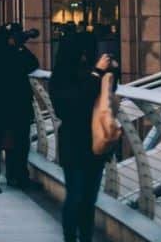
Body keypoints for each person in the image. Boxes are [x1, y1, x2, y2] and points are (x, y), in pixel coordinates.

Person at [50, 32, 116, 242]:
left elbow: (107, 96)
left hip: (94, 143)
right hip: (74, 142)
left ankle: (85, 237)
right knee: (76, 195)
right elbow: (71, 104)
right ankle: (70, 237)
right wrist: (96, 73)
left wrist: (110, 71)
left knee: (89, 199)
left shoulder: (90, 72)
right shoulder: (61, 76)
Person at [0, 22, 40, 193]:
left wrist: (17, 46)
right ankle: (7, 178)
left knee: (7, 142)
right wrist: (17, 47)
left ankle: (0, 179)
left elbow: (32, 64)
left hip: (4, 104)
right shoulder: (1, 50)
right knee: (7, 143)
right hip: (9, 103)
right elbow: (32, 64)